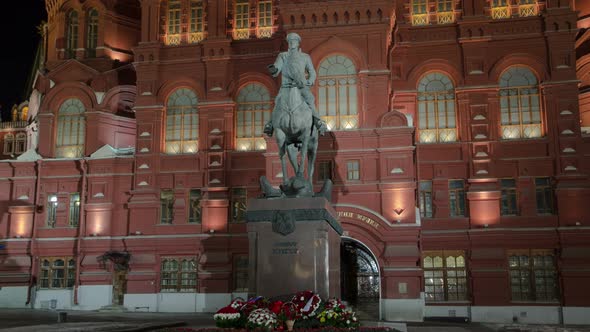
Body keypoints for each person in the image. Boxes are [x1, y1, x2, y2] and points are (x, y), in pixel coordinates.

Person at [264, 32, 327, 136]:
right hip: (286, 87)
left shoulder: (305, 57)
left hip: (301, 86)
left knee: (310, 100)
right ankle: (270, 124)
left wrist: (310, 80)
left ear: (298, 43)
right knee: (278, 101)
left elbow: (312, 72)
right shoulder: (283, 56)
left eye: (294, 41)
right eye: (290, 41)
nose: (292, 43)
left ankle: (318, 121)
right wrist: (274, 69)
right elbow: (277, 67)